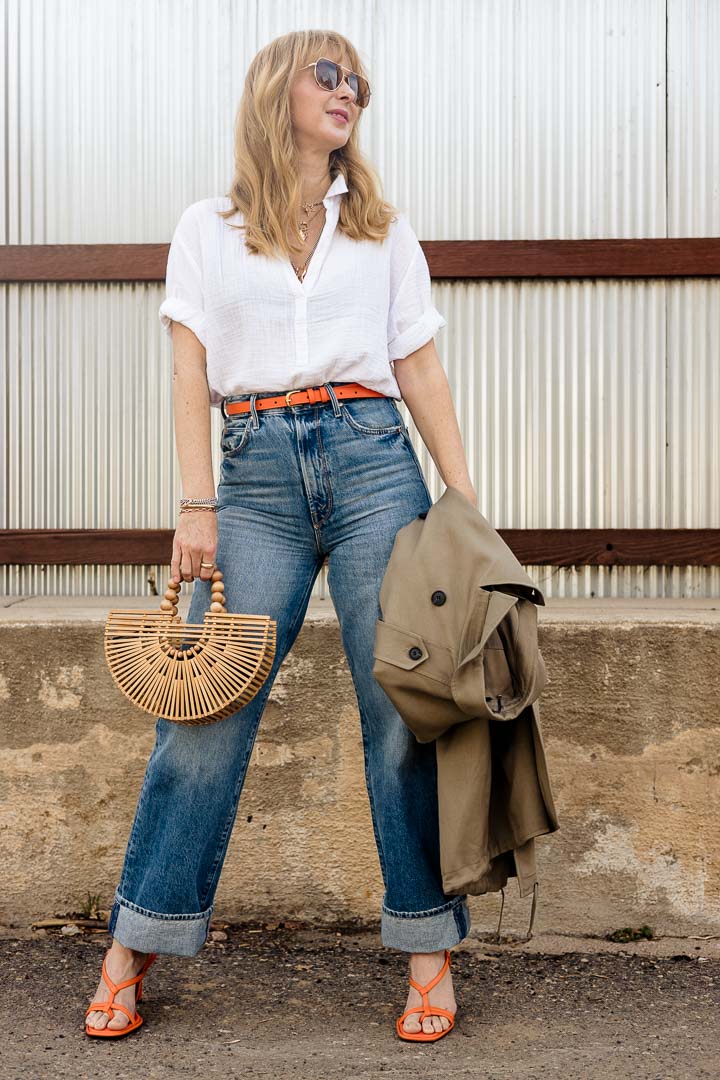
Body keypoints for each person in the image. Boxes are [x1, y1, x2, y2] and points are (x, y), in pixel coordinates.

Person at [85, 28, 478, 1043]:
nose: (351, 92)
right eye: (330, 75)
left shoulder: (384, 230)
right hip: (252, 474)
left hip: (373, 460)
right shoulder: (208, 228)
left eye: (359, 82)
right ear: (280, 92)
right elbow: (188, 367)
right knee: (206, 706)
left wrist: (463, 496)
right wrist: (194, 504)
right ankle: (137, 937)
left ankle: (428, 948)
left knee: (402, 704)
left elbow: (419, 367)